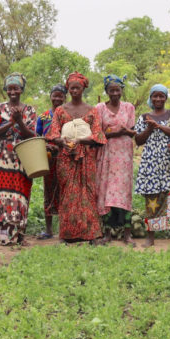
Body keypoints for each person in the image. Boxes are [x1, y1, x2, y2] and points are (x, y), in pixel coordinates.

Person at [45, 73, 106, 243]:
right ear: (68, 89)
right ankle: (67, 234)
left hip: (86, 157)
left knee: (87, 192)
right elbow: (53, 134)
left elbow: (98, 136)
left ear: (83, 89)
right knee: (67, 193)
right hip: (65, 157)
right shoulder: (60, 110)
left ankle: (91, 234)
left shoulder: (92, 110)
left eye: (77, 88)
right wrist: (62, 141)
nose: (74, 90)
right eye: (71, 88)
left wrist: (80, 140)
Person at [134, 84, 170, 248]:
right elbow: (138, 140)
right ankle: (151, 237)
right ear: (151, 98)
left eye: (161, 96)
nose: (158, 99)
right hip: (151, 165)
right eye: (155, 96)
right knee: (152, 201)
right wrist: (150, 129)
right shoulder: (144, 117)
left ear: (166, 97)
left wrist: (160, 126)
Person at [0, 73, 38, 245]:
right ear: (6, 90)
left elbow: (32, 134)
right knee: (3, 195)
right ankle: (4, 236)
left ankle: (19, 235)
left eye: (16, 88)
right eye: (9, 88)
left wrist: (20, 122)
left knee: (21, 194)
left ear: (21, 89)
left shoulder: (30, 110)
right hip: (3, 158)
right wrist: (11, 122)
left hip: (23, 158)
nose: (12, 92)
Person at [95, 75, 137, 246]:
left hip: (124, 156)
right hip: (106, 155)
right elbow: (96, 133)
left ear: (121, 91)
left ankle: (127, 234)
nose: (114, 93)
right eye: (111, 90)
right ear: (106, 91)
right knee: (106, 192)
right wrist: (115, 133)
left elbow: (132, 130)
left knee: (124, 193)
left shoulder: (129, 108)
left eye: (117, 90)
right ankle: (107, 233)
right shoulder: (99, 108)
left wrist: (124, 131)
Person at [35, 85, 66, 239]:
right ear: (50, 96)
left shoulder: (69, 115)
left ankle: (64, 230)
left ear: (65, 98)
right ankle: (48, 230)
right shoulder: (44, 116)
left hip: (66, 158)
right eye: (55, 96)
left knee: (65, 192)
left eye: (60, 96)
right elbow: (37, 136)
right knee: (49, 191)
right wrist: (45, 144)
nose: (57, 99)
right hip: (48, 159)